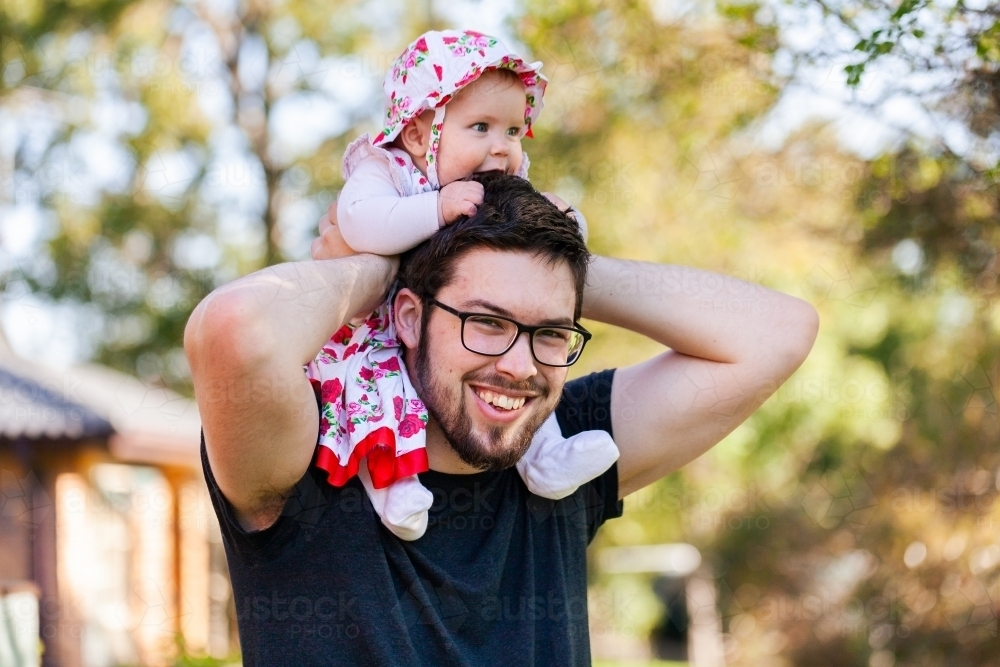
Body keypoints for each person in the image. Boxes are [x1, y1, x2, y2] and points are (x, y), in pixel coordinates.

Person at [185, 172, 818, 666]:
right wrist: (392, 258)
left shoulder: (561, 453)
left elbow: (779, 332)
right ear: (408, 317)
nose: (519, 366)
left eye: (549, 332)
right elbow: (235, 328)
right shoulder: (314, 445)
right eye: (487, 322)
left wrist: (560, 271)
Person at [311, 29, 616, 541]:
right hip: (380, 331)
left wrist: (566, 221)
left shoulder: (498, 179)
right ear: (417, 133)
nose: (502, 148)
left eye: (515, 131)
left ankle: (546, 459)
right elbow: (359, 222)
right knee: (380, 390)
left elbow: (554, 247)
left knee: (527, 355)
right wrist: (433, 209)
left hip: (432, 324)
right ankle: (393, 485)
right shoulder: (387, 169)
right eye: (481, 127)